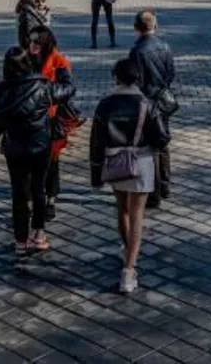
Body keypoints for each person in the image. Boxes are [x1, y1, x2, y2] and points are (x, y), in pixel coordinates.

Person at [89, 57, 171, 294]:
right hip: (142, 163)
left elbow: (96, 142)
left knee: (122, 209)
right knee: (137, 215)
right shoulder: (147, 103)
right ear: (138, 78)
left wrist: (96, 174)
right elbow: (162, 139)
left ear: (116, 77)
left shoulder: (105, 105)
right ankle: (129, 269)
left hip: (115, 162)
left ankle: (127, 249)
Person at [0, 46, 75, 257]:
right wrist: (64, 74)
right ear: (28, 63)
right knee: (38, 189)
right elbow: (68, 91)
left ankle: (20, 240)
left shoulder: (0, 93)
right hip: (40, 146)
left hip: (15, 149)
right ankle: (39, 234)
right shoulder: (42, 86)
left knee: (18, 193)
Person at [28, 26, 80, 223]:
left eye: (36, 42)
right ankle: (34, 198)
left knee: (51, 162)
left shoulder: (58, 60)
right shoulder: (25, 58)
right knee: (32, 163)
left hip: (51, 118)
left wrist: (47, 95)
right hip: (30, 119)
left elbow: (68, 88)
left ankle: (51, 198)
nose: (32, 45)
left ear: (46, 43)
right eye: (31, 41)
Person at [127, 9, 175, 210]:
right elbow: (170, 73)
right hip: (162, 100)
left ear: (137, 28)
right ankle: (164, 186)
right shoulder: (164, 46)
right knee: (162, 141)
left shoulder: (137, 50)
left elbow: (135, 79)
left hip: (145, 102)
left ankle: (153, 193)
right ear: (155, 26)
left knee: (149, 148)